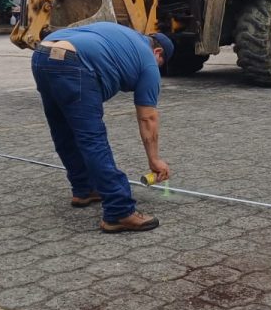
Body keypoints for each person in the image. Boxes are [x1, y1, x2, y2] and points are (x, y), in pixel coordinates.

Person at [31, 22, 174, 233]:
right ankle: (119, 211)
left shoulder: (124, 36)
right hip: (73, 63)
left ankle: (84, 188)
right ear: (158, 52)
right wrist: (154, 159)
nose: (158, 69)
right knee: (92, 138)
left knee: (63, 131)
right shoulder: (148, 61)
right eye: (161, 63)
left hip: (42, 55)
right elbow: (147, 118)